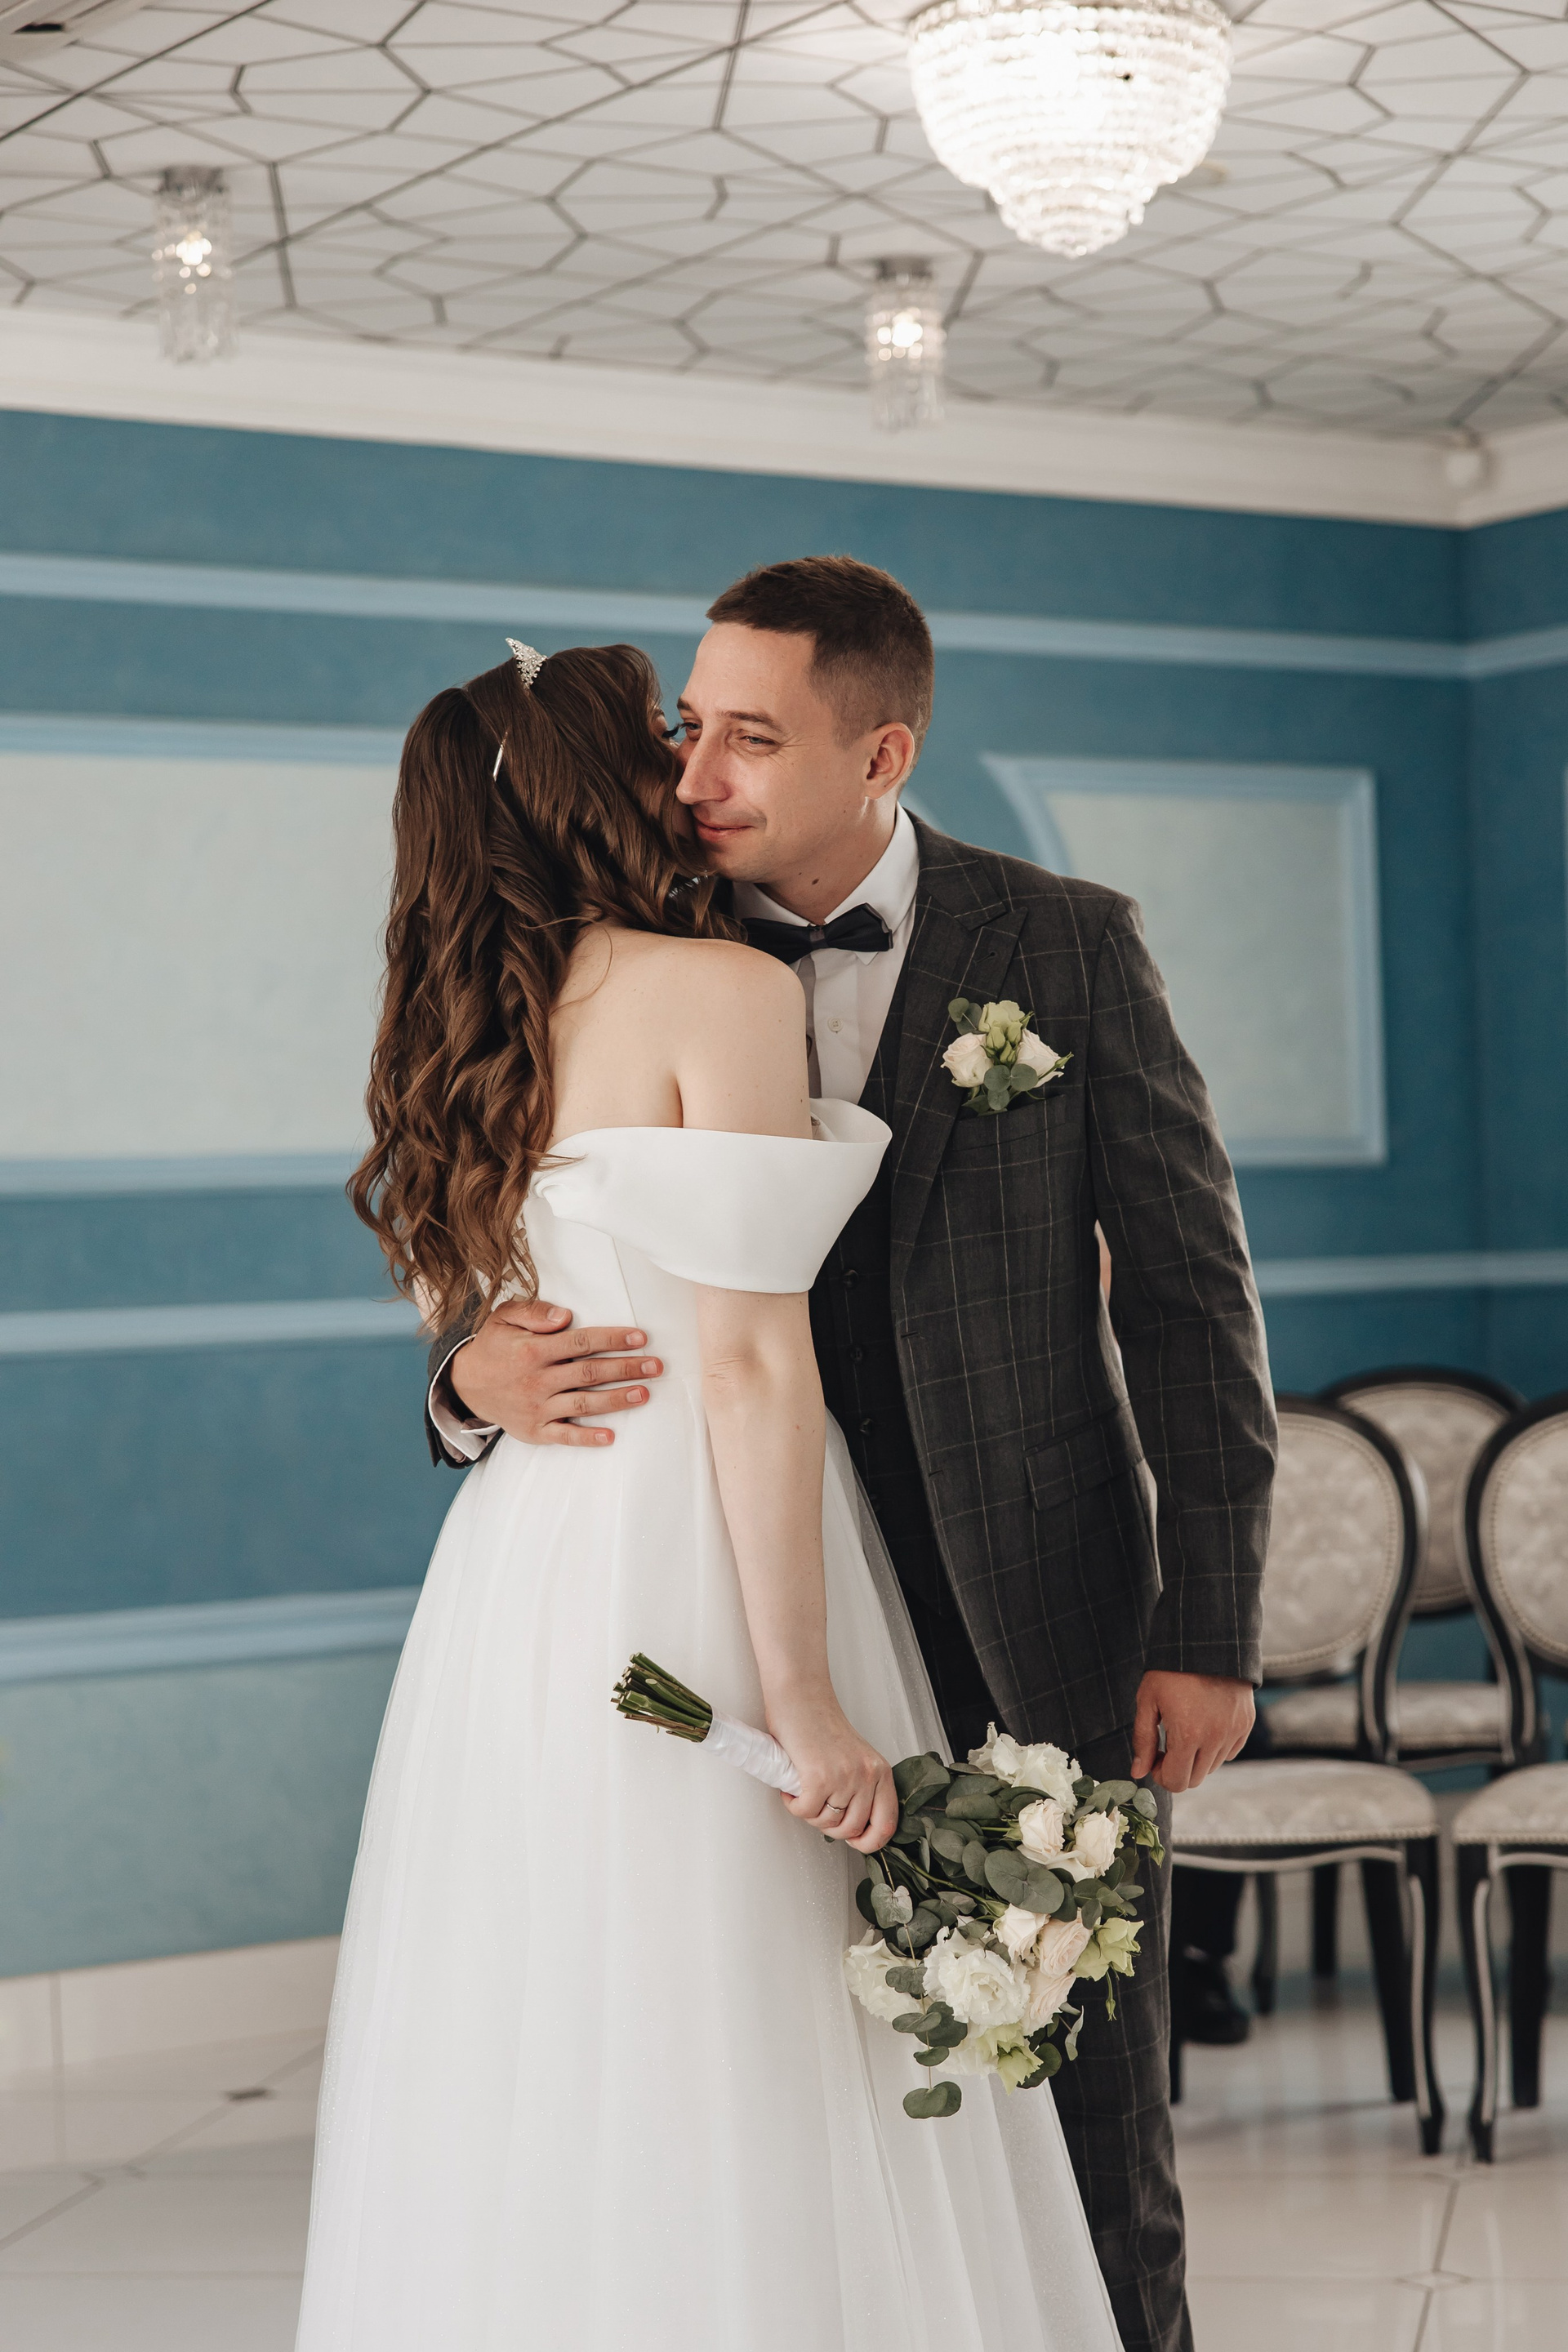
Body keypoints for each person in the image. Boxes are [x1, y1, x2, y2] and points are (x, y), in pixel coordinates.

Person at [430, 560, 1277, 2352]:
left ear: (881, 752)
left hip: (1028, 1596)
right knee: (775, 2105)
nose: (696, 775)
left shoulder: (1064, 942)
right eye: (688, 729)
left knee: (1084, 2103)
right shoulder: (630, 938)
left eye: (751, 738)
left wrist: (1209, 1624)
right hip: (739, 1606)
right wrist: (465, 1378)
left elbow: (1193, 1303)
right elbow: (506, 1243)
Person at [295, 639, 1124, 2350]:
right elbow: (747, 1364)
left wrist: (470, 1372)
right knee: (745, 1994)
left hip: (527, 1569)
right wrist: (804, 1698)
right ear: (602, 788)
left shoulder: (450, 1025)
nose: (691, 770)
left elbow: (485, 1303)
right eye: (661, 740)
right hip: (699, 1544)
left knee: (549, 2004)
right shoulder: (719, 991)